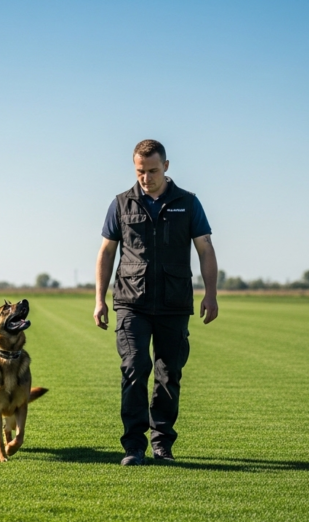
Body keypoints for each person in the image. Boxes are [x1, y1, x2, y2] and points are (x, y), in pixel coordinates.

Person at [93, 139, 219, 466]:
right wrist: (99, 300)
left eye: (152, 170)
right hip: (130, 303)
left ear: (166, 166)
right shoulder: (120, 204)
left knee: (168, 373)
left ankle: (162, 444)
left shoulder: (188, 203)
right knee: (135, 367)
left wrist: (211, 294)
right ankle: (133, 446)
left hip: (174, 303)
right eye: (140, 171)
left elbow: (205, 249)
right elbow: (106, 252)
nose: (146, 177)